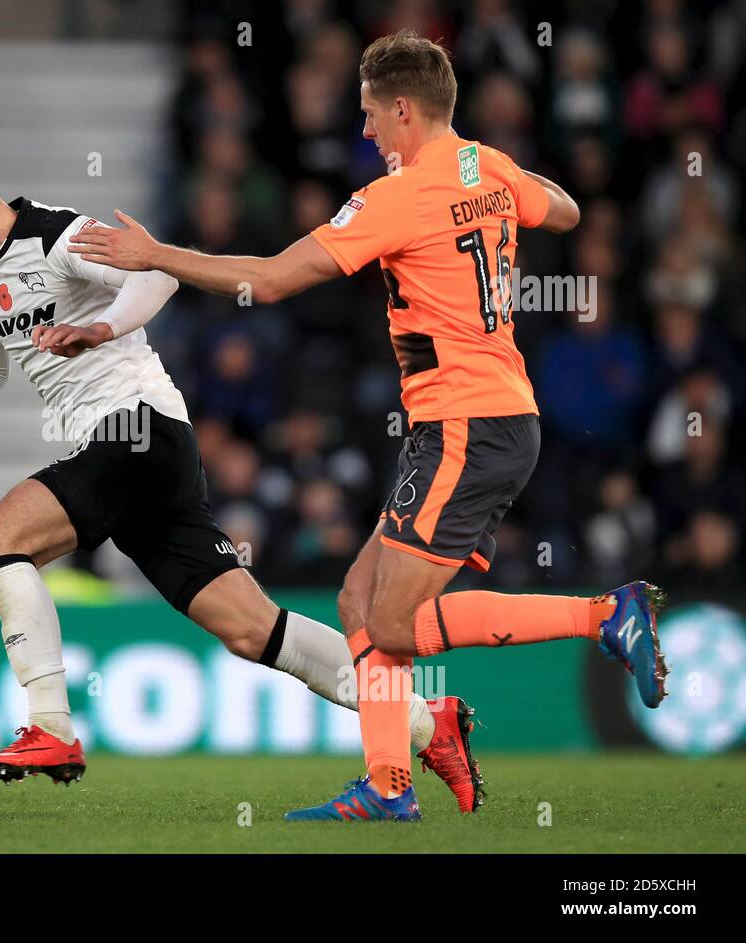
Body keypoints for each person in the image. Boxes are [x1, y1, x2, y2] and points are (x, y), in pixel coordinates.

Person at [68, 30, 667, 821]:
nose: (364, 133)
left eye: (370, 116)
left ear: (405, 110)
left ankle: (603, 613)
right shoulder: (487, 166)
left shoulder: (399, 195)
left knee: (391, 620)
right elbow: (564, 207)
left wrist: (157, 254)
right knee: (358, 602)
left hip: (466, 422)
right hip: (481, 418)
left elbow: (273, 279)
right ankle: (389, 785)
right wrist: (493, 182)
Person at [0, 135, 483, 811]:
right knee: (252, 628)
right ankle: (423, 719)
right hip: (138, 456)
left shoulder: (59, 235)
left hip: (137, 430)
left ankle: (50, 726)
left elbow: (156, 275)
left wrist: (105, 328)